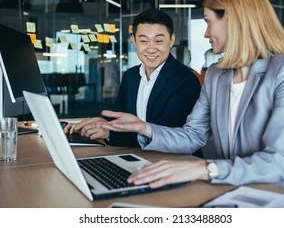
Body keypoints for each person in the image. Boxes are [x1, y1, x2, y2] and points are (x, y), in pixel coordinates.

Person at [97, 0, 284, 201]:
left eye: (208, 21)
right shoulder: (216, 74)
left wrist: (206, 169)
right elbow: (192, 136)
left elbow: (280, 162)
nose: (206, 33)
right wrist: (144, 128)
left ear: (232, 19)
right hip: (234, 192)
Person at [64, 8, 202, 154]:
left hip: (177, 162)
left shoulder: (185, 80)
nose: (151, 48)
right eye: (143, 41)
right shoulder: (131, 76)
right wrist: (98, 123)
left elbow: (164, 130)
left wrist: (111, 133)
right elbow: (118, 115)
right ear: (134, 41)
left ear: (171, 40)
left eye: (159, 41)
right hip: (139, 156)